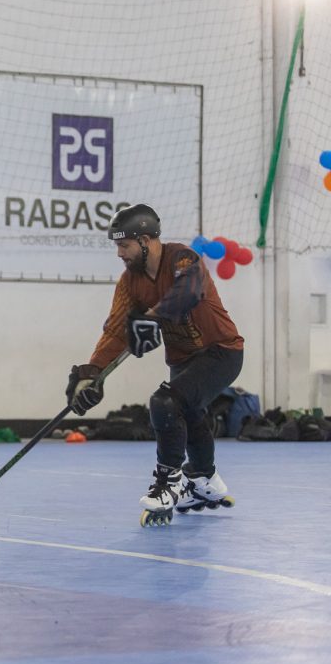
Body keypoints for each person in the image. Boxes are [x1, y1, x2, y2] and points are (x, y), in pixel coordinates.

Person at [65, 204, 245, 527]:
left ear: (146, 240)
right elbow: (117, 329)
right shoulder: (130, 282)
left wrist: (150, 318)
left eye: (124, 245)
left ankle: (169, 483)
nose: (119, 253)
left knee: (165, 402)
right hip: (182, 359)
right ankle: (205, 481)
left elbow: (189, 290)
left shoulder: (183, 259)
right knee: (189, 413)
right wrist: (91, 373)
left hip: (221, 352)